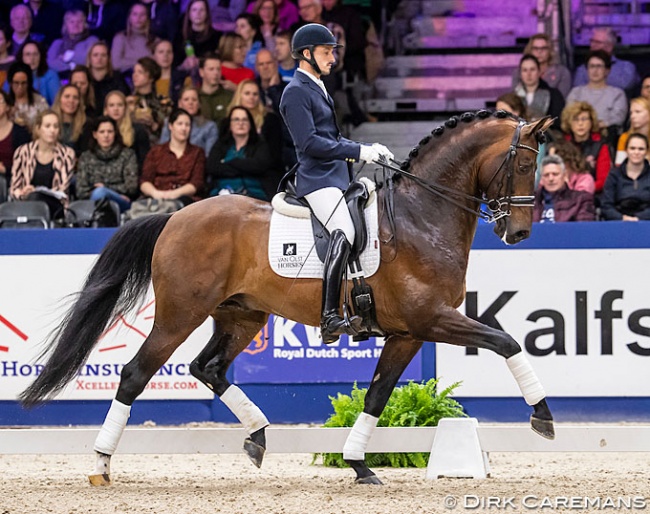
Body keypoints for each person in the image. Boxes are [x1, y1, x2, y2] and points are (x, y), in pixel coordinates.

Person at [279, 23, 393, 343]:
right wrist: (359, 152)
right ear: (307, 54)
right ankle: (329, 317)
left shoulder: (318, 86)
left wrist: (368, 149)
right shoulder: (296, 91)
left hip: (336, 176)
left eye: (332, 52)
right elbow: (311, 143)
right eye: (326, 52)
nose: (332, 58)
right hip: (317, 180)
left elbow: (333, 137)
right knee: (345, 230)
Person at [9, 109, 76, 220]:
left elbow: (62, 189)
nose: (52, 130)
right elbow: (14, 188)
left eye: (55, 126)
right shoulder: (22, 152)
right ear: (38, 129)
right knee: (32, 198)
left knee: (35, 196)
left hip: (55, 205)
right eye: (47, 126)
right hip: (25, 202)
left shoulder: (67, 154)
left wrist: (34, 191)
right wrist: (22, 193)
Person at [206, 105, 276, 199]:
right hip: (221, 195)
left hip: (253, 195)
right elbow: (212, 167)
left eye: (245, 120)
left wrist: (231, 162)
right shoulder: (221, 144)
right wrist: (245, 167)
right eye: (236, 119)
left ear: (250, 124)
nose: (241, 123)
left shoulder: (259, 144)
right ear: (230, 124)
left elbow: (259, 166)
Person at [139, 107, 205, 205]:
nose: (184, 128)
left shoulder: (197, 152)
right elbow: (145, 181)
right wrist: (156, 193)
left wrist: (173, 194)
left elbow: (196, 183)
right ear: (170, 126)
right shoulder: (156, 151)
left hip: (185, 200)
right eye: (180, 124)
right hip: (156, 197)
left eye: (187, 125)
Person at [76, 115, 138, 212]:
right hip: (91, 201)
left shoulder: (127, 155)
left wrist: (106, 189)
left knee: (101, 192)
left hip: (121, 201)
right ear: (95, 134)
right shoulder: (86, 157)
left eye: (110, 131)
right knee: (99, 193)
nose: (106, 135)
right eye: (102, 132)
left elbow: (131, 187)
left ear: (115, 134)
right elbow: (80, 190)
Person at [566, 50, 627, 133]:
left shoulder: (617, 94)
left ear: (607, 70)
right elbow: (568, 116)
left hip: (607, 137)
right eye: (592, 66)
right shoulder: (576, 93)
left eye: (599, 66)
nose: (595, 70)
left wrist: (592, 126)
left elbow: (618, 119)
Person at [228, 79, 283, 168]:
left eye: (255, 94)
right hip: (233, 168)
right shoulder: (228, 119)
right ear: (239, 96)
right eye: (247, 93)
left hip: (264, 169)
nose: (251, 97)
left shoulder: (271, 119)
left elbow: (275, 154)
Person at [560, 101, 612, 194]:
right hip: (564, 195)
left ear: (591, 122)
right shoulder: (562, 146)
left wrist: (583, 190)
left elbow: (603, 180)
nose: (580, 123)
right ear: (569, 123)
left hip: (591, 195)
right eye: (576, 119)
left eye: (584, 119)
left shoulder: (600, 146)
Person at [573, 27, 639, 96]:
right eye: (591, 41)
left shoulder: (626, 67)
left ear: (609, 46)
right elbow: (579, 93)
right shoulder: (583, 69)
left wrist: (595, 82)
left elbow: (624, 86)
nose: (592, 45)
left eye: (597, 42)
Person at [601, 133, 650, 221]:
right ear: (626, 150)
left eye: (641, 149)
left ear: (647, 151)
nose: (636, 152)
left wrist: (639, 218)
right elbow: (606, 205)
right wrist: (621, 218)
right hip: (618, 223)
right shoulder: (614, 175)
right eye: (632, 148)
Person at [533, 154, 595, 223]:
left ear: (565, 175)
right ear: (541, 178)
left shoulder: (581, 199)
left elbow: (584, 229)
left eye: (555, 174)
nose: (550, 179)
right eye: (546, 175)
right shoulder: (530, 201)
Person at [160, 86, 217, 155]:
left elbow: (209, 155)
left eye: (194, 100)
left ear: (199, 104)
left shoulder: (210, 127)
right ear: (180, 104)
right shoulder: (169, 122)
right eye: (186, 99)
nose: (190, 103)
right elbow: (162, 150)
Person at [511, 33, 571, 98]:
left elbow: (561, 98)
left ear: (550, 51)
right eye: (535, 48)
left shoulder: (562, 73)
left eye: (544, 48)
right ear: (530, 50)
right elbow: (516, 97)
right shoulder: (519, 73)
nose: (539, 52)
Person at [103, 90, 150, 171]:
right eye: (111, 105)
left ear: (125, 108)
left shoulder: (138, 130)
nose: (116, 109)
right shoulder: (98, 130)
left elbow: (144, 161)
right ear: (106, 109)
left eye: (120, 105)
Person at [513, 54, 564, 127]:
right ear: (520, 74)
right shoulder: (514, 97)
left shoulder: (554, 95)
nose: (528, 74)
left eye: (532, 69)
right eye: (525, 70)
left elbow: (558, 120)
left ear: (539, 72)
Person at [46, 10, 99, 78]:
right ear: (66, 25)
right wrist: (71, 66)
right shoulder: (58, 43)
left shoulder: (92, 40)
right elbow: (50, 63)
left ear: (85, 24)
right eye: (72, 22)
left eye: (79, 21)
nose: (76, 25)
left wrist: (66, 57)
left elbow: (85, 60)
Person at [174, 0, 222, 75]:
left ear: (207, 13)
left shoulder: (217, 36)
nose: (198, 13)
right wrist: (183, 65)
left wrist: (200, 62)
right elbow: (174, 62)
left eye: (201, 10)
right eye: (194, 10)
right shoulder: (179, 36)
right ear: (189, 13)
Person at [110, 2, 159, 75]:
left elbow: (158, 62)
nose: (138, 18)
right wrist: (146, 60)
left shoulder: (155, 40)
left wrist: (128, 61)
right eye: (135, 14)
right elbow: (115, 64)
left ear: (147, 18)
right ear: (129, 17)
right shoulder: (120, 38)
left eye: (142, 14)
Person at [128, 56, 167, 143]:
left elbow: (168, 130)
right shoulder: (128, 101)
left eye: (140, 72)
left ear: (151, 77)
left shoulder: (163, 101)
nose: (135, 75)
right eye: (134, 72)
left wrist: (153, 124)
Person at [86, 42, 130, 114]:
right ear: (90, 58)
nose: (99, 58)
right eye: (95, 55)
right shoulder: (84, 77)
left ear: (108, 58)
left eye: (103, 55)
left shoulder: (117, 78)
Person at [0, 89, 31, 189]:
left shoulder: (21, 132)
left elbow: (27, 165)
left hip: (13, 181)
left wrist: (5, 170)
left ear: (8, 106)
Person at [6, 61, 48, 132]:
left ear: (29, 83)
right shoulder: (5, 103)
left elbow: (47, 123)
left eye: (23, 83)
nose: (20, 87)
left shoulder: (40, 101)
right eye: (16, 83)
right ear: (10, 83)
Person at [14, 41, 59, 106]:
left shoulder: (51, 75)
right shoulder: (14, 75)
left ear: (41, 57)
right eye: (28, 54)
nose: (32, 58)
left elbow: (57, 104)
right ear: (22, 57)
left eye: (35, 54)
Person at [153, 39, 192, 108]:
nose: (165, 55)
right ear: (154, 56)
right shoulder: (149, 80)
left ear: (173, 55)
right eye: (161, 52)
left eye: (169, 52)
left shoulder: (184, 78)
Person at [52, 83, 87, 156]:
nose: (71, 101)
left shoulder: (86, 125)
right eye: (67, 96)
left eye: (75, 98)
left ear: (79, 102)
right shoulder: (49, 122)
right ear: (59, 99)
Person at [198, 52, 234, 124]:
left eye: (218, 69)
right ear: (201, 72)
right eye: (211, 69)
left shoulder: (230, 97)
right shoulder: (194, 97)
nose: (216, 73)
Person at [615, 97, 650, 165]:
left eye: (637, 112)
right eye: (631, 113)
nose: (632, 116)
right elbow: (619, 165)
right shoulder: (624, 138)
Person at [255, 47, 285, 112]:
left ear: (276, 64)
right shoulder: (253, 89)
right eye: (261, 64)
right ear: (256, 68)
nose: (265, 67)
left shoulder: (287, 89)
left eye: (269, 63)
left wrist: (273, 89)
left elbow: (283, 112)